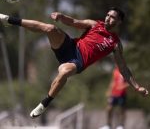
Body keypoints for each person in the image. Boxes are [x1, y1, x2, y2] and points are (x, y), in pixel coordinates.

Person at [0, 7, 148, 119]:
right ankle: (8, 20)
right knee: (50, 28)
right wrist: (60, 16)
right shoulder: (94, 24)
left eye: (113, 17)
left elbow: (123, 68)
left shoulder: (115, 43)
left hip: (78, 61)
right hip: (70, 46)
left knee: (64, 72)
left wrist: (137, 87)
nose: (108, 18)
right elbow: (74, 22)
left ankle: (45, 103)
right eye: (108, 15)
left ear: (119, 22)